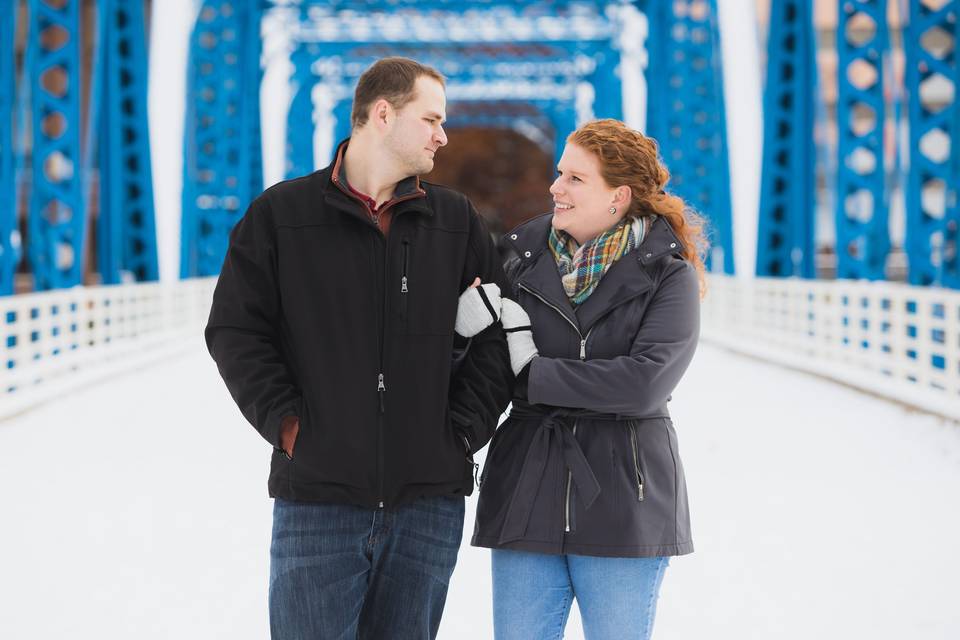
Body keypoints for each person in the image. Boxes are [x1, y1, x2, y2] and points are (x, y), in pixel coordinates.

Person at [205, 57, 513, 640]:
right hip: (317, 498)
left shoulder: (455, 221)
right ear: (382, 113)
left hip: (427, 502)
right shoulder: (281, 215)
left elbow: (496, 336)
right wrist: (289, 426)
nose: (443, 136)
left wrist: (462, 435)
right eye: (431, 119)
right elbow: (235, 331)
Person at [459, 119, 706, 640]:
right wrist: (457, 336)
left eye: (574, 178)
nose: (555, 187)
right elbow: (485, 371)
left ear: (618, 196)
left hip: (624, 495)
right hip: (527, 487)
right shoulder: (516, 261)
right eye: (558, 173)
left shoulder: (668, 275)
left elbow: (643, 385)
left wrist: (535, 372)